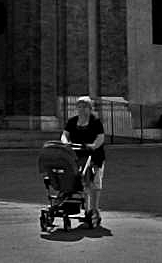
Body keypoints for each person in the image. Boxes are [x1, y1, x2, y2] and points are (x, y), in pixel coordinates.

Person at [62, 96, 106, 229]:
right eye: (80, 106)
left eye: (85, 106)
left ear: (90, 108)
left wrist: (93, 145)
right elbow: (65, 134)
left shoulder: (95, 122)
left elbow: (101, 138)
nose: (82, 109)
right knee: (82, 183)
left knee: (94, 183)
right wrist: (66, 143)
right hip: (77, 155)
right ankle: (86, 210)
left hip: (94, 156)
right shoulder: (72, 121)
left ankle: (95, 210)